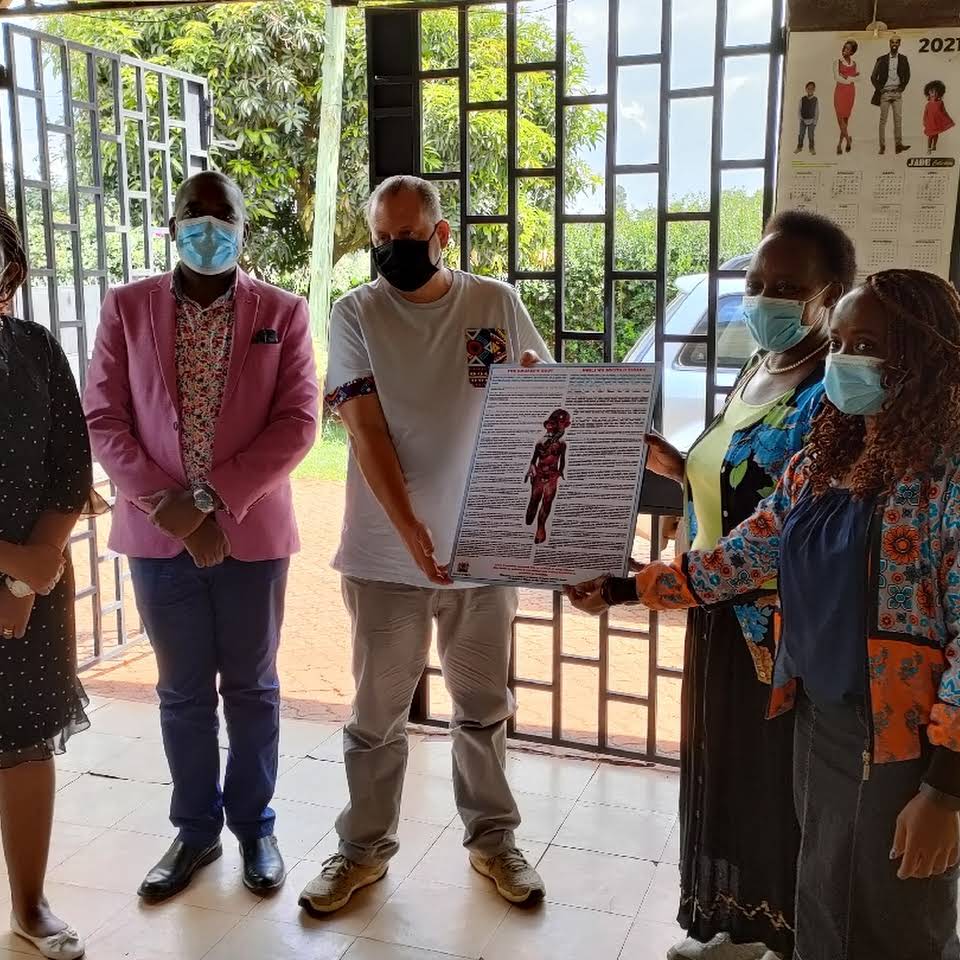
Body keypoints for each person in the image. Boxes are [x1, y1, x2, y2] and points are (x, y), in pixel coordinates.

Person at [570, 268, 960, 960]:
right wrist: (627, 588)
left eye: (867, 345)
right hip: (816, 718)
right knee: (822, 897)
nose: (843, 360)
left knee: (891, 919)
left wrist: (945, 791)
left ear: (922, 356)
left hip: (907, 747)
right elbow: (743, 558)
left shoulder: (947, 480)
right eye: (839, 342)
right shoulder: (822, 464)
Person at [301, 175, 550, 916]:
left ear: (442, 236)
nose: (393, 251)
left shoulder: (494, 303)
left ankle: (494, 841)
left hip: (482, 552)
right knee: (377, 715)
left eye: (408, 238)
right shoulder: (357, 312)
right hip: (384, 557)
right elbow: (365, 428)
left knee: (482, 706)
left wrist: (537, 388)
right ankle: (361, 850)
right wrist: (409, 527)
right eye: (383, 239)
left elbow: (539, 390)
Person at [84, 171, 319, 902]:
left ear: (243, 228)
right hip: (159, 541)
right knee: (182, 693)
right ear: (172, 224)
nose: (208, 227)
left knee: (252, 687)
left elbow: (299, 422)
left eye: (223, 216)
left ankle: (255, 827)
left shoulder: (283, 312)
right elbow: (104, 418)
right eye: (195, 213)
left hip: (251, 534)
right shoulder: (126, 308)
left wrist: (212, 501)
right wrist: (173, 509)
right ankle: (194, 831)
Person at [640, 211, 854, 960]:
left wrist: (649, 586)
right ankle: (737, 922)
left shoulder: (831, 392)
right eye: (758, 282)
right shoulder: (760, 364)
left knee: (772, 784)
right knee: (724, 767)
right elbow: (735, 477)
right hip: (717, 612)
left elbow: (780, 529)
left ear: (831, 295)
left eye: (787, 286)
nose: (765, 298)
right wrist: (674, 463)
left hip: (777, 630)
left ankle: (782, 934)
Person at [0, 207, 105, 960]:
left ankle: (30, 905)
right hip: (18, 572)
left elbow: (71, 467)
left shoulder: (35, 348)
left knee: (25, 743)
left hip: (32, 591)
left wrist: (27, 574)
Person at [525, 408, 570, 544]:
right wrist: (532, 466)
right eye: (557, 423)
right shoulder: (541, 442)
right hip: (539, 473)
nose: (560, 426)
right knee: (534, 499)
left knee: (547, 501)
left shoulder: (562, 444)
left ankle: (540, 528)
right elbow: (535, 457)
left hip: (552, 475)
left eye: (563, 423)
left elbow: (562, 459)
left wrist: (560, 471)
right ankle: (530, 517)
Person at [871, 34, 911, 155]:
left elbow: (908, 75)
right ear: (889, 44)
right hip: (885, 93)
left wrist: (902, 87)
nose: (894, 44)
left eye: (896, 42)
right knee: (883, 120)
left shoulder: (903, 59)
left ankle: (898, 145)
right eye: (892, 42)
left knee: (898, 120)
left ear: (899, 44)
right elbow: (873, 77)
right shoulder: (881, 59)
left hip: (897, 93)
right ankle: (882, 146)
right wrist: (880, 89)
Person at [833, 39, 859, 154]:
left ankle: (839, 143)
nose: (844, 50)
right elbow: (837, 78)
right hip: (839, 92)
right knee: (840, 119)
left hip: (850, 92)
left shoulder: (854, 64)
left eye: (848, 49)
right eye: (844, 47)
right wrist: (851, 78)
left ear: (852, 52)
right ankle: (848, 140)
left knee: (845, 119)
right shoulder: (837, 62)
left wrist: (846, 77)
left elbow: (859, 78)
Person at [923, 80, 954, 153]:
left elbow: (944, 112)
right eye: (931, 91)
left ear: (939, 93)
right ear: (928, 93)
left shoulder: (940, 103)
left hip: (936, 123)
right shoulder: (928, 104)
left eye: (935, 91)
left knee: (936, 135)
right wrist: (924, 121)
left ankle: (934, 146)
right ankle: (929, 149)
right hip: (930, 123)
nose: (933, 93)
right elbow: (925, 114)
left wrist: (948, 120)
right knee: (930, 136)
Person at [795, 82, 819, 155]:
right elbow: (799, 109)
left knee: (810, 135)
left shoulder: (815, 100)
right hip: (803, 120)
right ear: (806, 89)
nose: (810, 90)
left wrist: (815, 122)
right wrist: (800, 118)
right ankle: (799, 147)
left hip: (811, 121)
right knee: (801, 134)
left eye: (812, 88)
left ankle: (811, 148)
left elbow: (817, 111)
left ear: (814, 89)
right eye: (808, 88)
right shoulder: (802, 99)